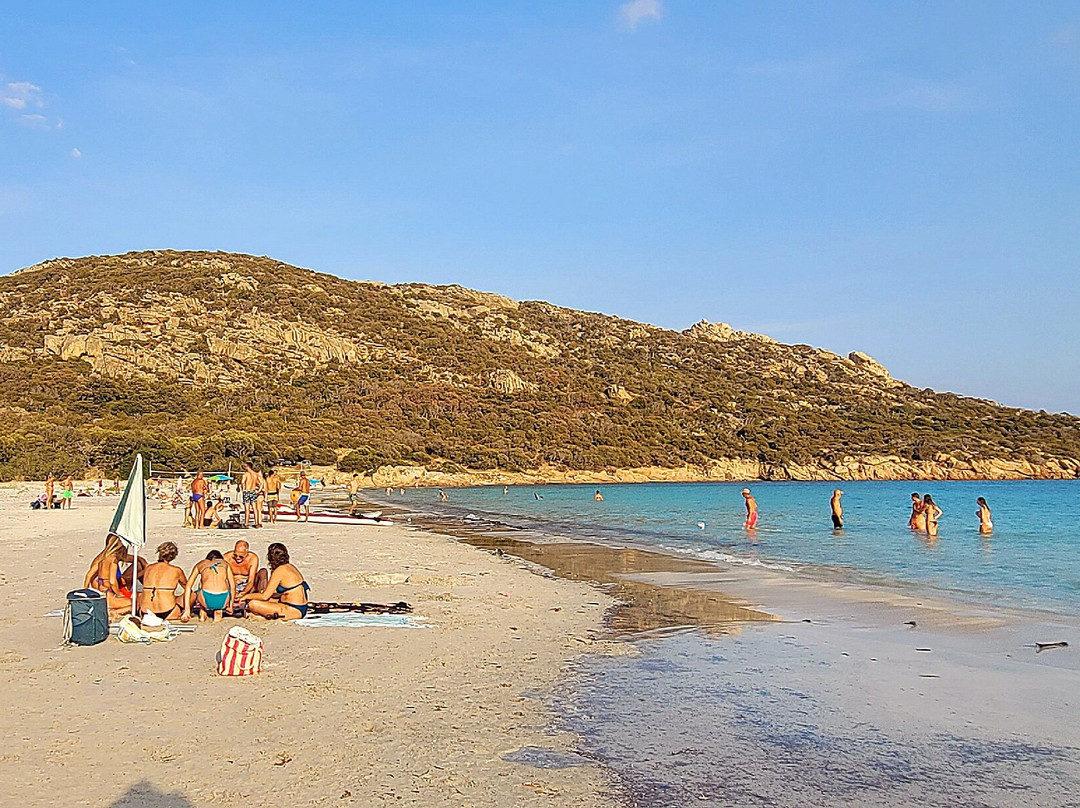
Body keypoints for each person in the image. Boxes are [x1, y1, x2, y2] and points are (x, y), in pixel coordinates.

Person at [241, 542, 310, 620]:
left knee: (253, 604)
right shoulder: (290, 567)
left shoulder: (279, 571)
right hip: (300, 606)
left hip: (293, 609)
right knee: (263, 599)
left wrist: (245, 596)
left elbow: (265, 596)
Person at [84, 535, 133, 616]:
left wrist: (85, 592)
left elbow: (89, 575)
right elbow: (112, 581)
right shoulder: (113, 560)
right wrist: (118, 593)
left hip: (102, 592)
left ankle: (113, 610)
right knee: (135, 605)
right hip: (109, 595)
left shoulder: (103, 557)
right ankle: (113, 612)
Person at [138, 542, 188, 620]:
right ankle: (186, 612)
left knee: (141, 594)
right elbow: (187, 588)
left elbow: (138, 577)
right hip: (168, 611)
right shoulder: (176, 570)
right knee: (193, 595)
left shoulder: (148, 568)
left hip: (145, 612)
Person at [182, 550, 234, 623]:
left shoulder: (200, 564)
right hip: (223, 599)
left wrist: (187, 610)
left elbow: (188, 586)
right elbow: (232, 586)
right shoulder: (226, 564)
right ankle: (218, 612)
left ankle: (203, 611)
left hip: (205, 597)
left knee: (201, 582)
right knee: (224, 583)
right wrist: (230, 605)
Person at [224, 540, 264, 604]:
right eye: (235, 555)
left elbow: (251, 580)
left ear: (247, 553)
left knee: (263, 572)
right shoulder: (226, 557)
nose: (237, 558)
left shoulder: (253, 558)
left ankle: (262, 598)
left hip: (247, 585)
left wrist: (243, 592)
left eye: (241, 556)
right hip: (232, 584)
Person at [241, 463, 263, 528]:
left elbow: (242, 482)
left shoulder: (246, 474)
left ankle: (246, 523)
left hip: (247, 491)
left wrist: (243, 489)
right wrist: (259, 490)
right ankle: (257, 523)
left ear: (248, 466)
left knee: (247, 509)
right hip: (253, 491)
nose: (244, 468)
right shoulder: (255, 474)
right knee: (254, 508)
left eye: (245, 466)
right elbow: (261, 483)